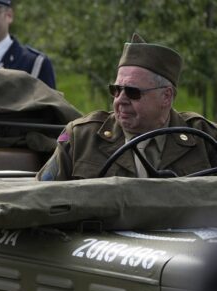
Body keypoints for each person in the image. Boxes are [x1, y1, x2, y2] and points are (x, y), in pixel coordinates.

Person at [37, 34, 217, 181]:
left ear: (166, 96)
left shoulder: (203, 137)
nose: (120, 100)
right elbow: (41, 197)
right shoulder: (82, 138)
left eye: (132, 92)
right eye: (116, 90)